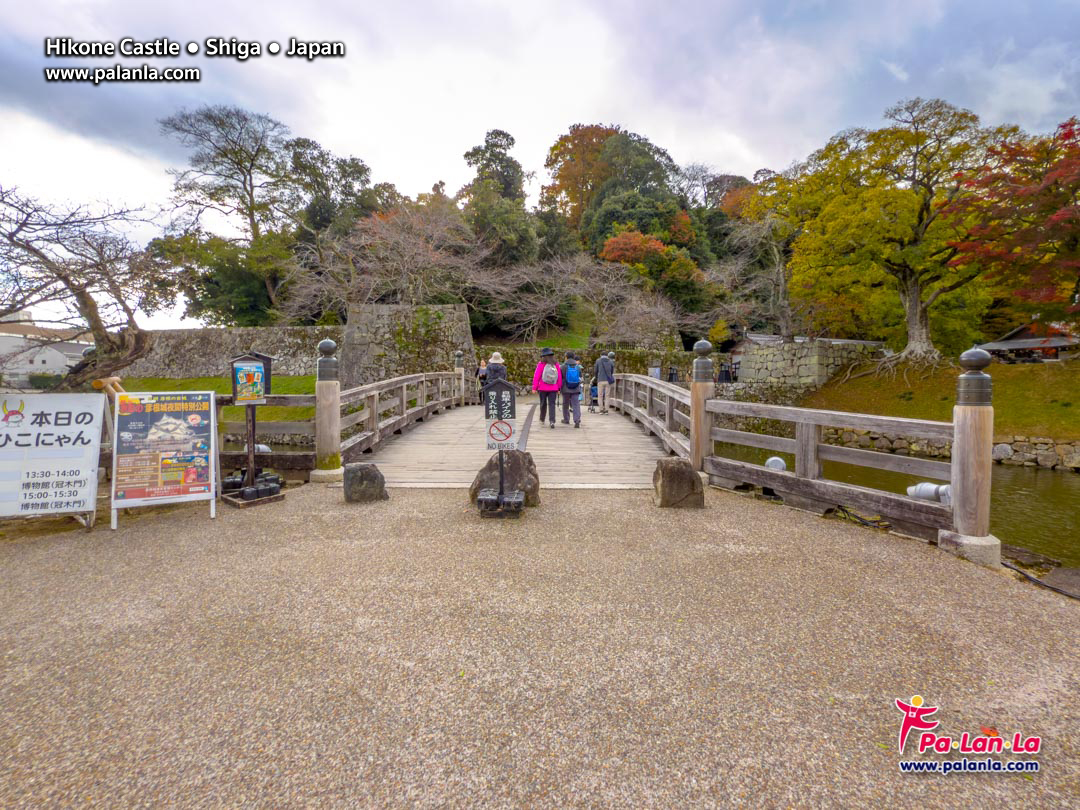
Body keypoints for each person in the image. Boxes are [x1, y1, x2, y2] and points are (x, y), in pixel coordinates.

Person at [531, 347, 562, 428]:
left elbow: (537, 376)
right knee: (552, 404)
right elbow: (559, 377)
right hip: (553, 388)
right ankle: (552, 421)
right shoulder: (556, 364)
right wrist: (559, 388)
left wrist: (534, 387)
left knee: (543, 403)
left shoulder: (541, 364)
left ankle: (542, 419)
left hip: (542, 388)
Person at [559, 351, 584, 428]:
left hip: (566, 388)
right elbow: (580, 377)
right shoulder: (578, 367)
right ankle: (577, 420)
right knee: (576, 404)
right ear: (573, 357)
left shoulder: (563, 366)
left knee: (565, 404)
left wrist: (559, 388)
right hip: (576, 388)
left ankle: (566, 419)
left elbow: (560, 378)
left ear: (566, 357)